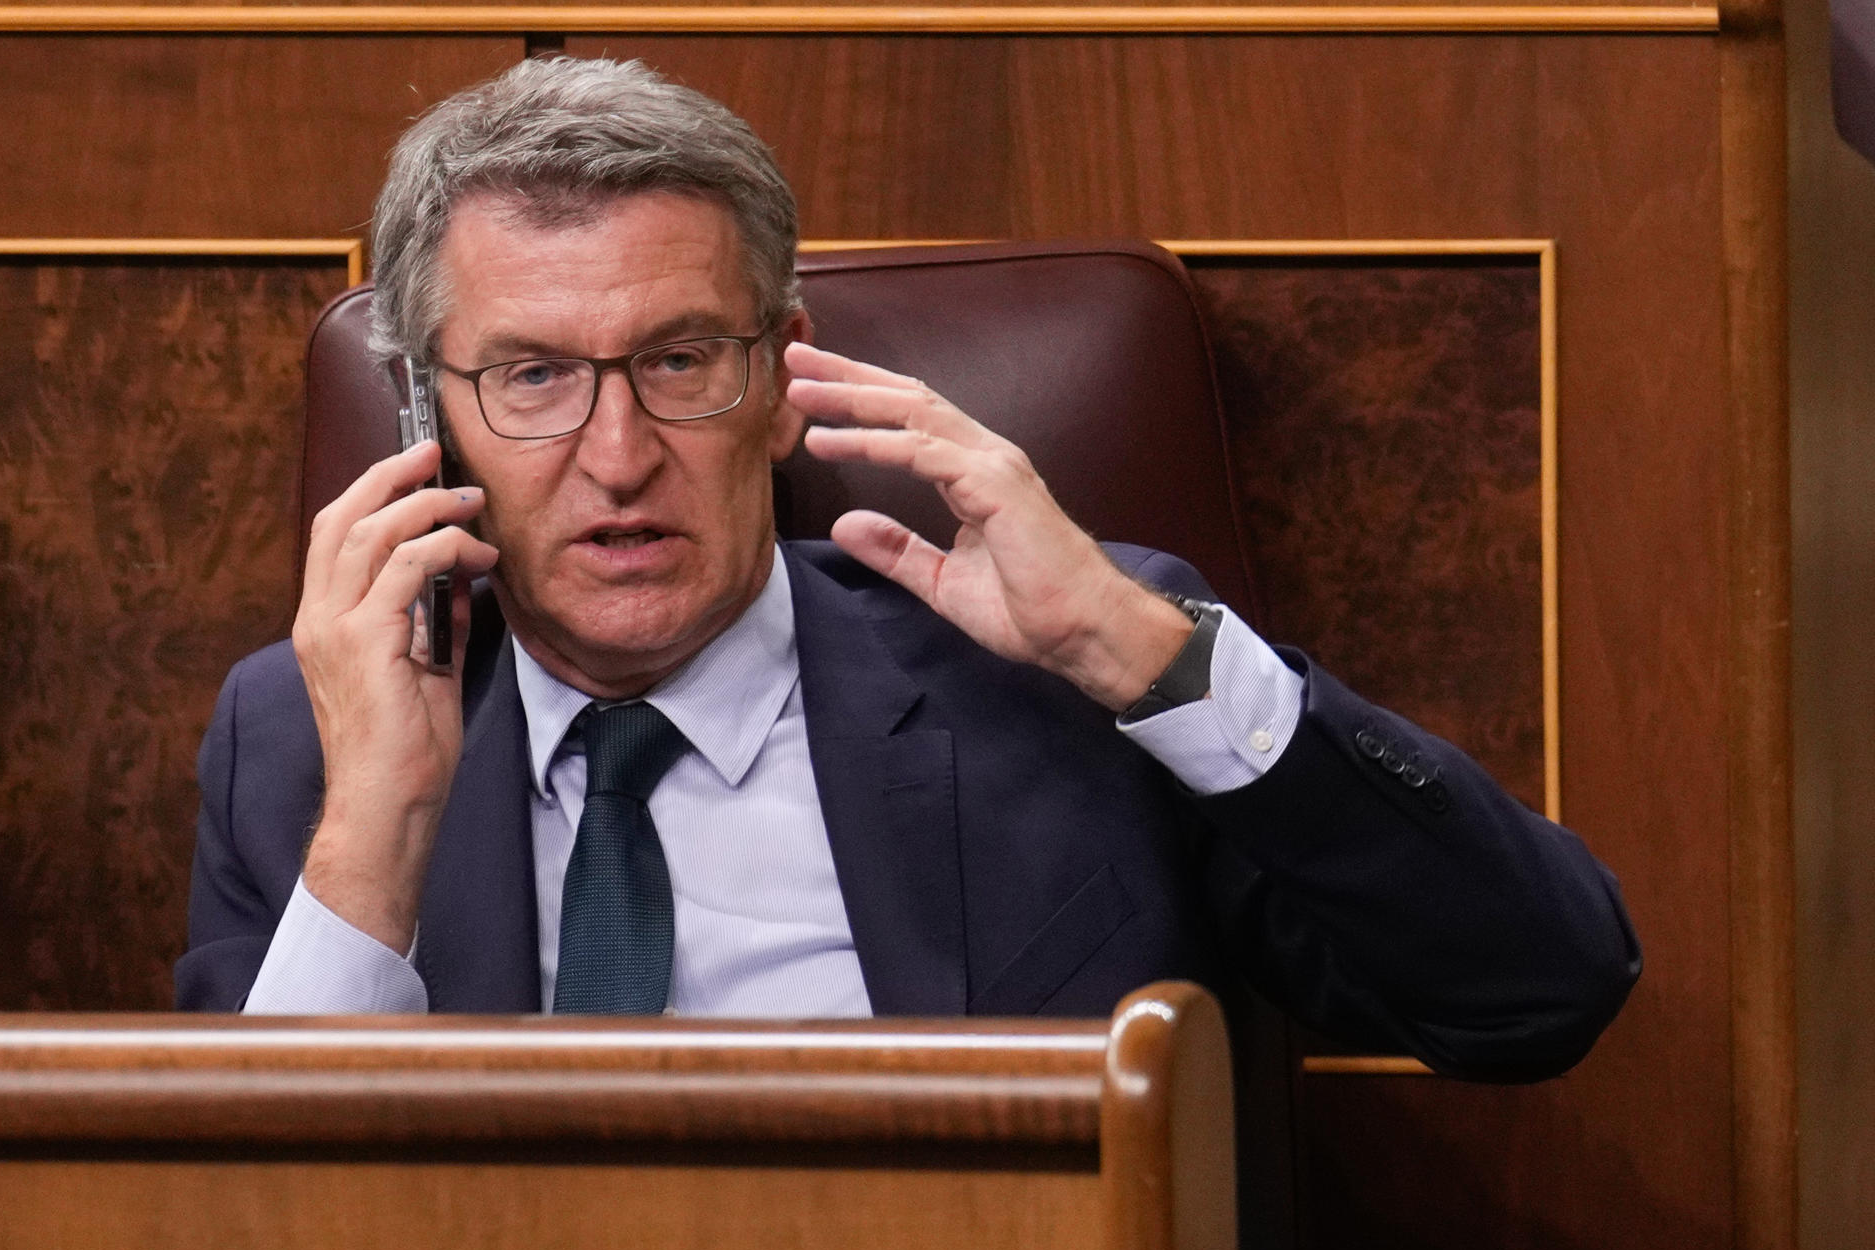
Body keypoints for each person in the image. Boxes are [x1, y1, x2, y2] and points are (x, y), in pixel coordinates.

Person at [176, 55, 1639, 1082]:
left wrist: (1150, 661)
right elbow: (238, 1243)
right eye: (536, 377)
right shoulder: (304, 739)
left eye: (681, 360)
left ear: (782, 371)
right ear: (433, 420)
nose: (617, 454)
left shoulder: (1064, 682)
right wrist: (377, 827)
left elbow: (1541, 994)